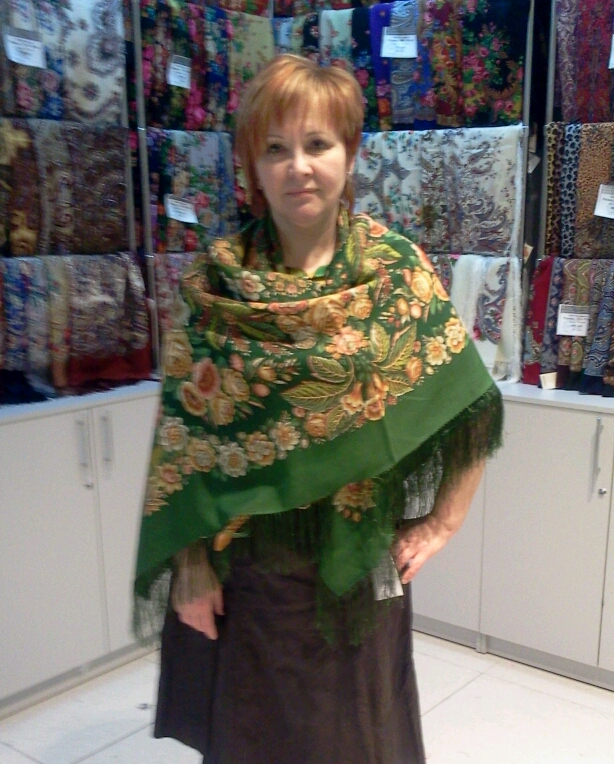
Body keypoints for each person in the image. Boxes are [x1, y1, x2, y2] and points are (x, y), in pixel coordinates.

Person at [134, 55, 503, 764]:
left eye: (317, 144)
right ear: (251, 165)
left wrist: (443, 521)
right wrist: (191, 566)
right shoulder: (216, 288)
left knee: (360, 738)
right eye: (275, 148)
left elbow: (472, 404)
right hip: (249, 578)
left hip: (356, 569)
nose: (298, 167)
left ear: (349, 153)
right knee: (256, 740)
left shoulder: (395, 274)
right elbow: (182, 441)